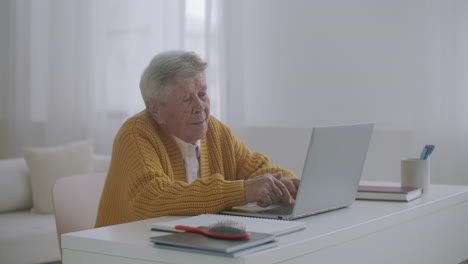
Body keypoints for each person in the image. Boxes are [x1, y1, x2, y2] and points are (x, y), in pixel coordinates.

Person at [95, 50, 300, 227]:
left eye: (202, 94)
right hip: (126, 252)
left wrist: (288, 183)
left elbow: (257, 170)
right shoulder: (136, 134)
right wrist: (243, 190)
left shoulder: (216, 131)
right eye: (186, 99)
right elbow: (152, 199)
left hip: (184, 247)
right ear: (156, 110)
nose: (200, 107)